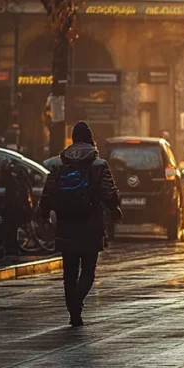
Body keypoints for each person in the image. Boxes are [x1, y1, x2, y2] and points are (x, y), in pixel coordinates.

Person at [40, 121, 122, 327]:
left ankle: (73, 312)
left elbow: (48, 193)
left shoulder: (59, 164)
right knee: (87, 270)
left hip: (66, 223)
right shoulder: (98, 165)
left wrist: (43, 214)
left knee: (69, 271)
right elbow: (109, 192)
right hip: (91, 224)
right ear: (90, 139)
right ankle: (77, 301)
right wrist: (114, 209)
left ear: (73, 139)